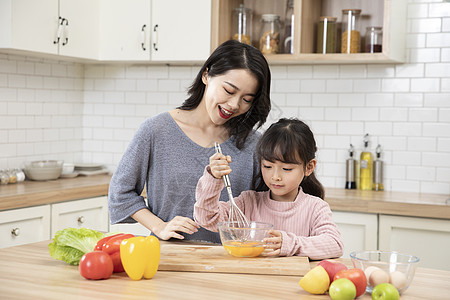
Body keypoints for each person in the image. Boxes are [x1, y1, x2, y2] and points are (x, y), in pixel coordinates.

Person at [108, 40, 272, 243]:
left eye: (247, 99)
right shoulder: (156, 130)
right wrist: (159, 226)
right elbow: (120, 193)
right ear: (206, 75)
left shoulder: (253, 145)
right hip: (170, 258)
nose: (234, 104)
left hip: (231, 262)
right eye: (229, 91)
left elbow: (270, 205)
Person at [194, 118, 344, 259]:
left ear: (309, 167)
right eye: (268, 166)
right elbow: (207, 218)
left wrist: (290, 244)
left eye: (286, 169)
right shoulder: (248, 203)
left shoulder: (315, 208)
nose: (275, 176)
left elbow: (334, 244)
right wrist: (213, 178)